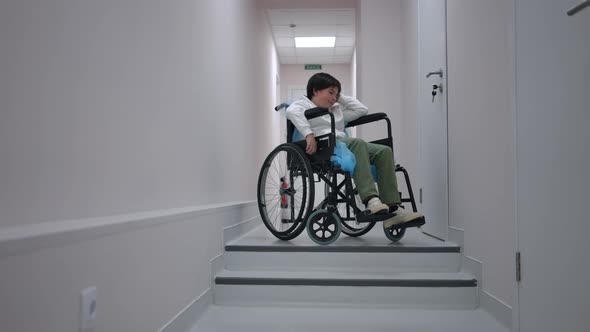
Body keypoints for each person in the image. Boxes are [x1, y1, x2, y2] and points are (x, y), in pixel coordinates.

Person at [286, 72, 423, 229]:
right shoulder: (303, 104)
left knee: (384, 151)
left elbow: (361, 109)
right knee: (358, 143)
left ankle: (393, 208)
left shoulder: (335, 111)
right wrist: (308, 134)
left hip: (343, 143)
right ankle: (371, 200)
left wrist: (339, 96)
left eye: (336, 95)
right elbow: (291, 112)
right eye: (330, 93)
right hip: (324, 145)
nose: (333, 98)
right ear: (315, 90)